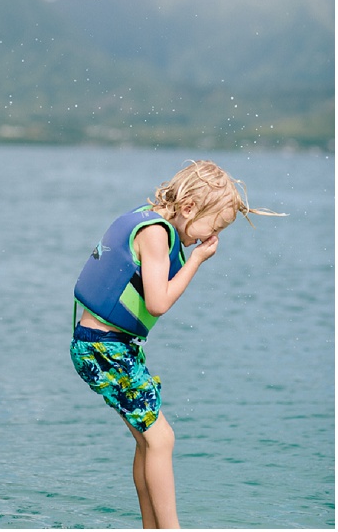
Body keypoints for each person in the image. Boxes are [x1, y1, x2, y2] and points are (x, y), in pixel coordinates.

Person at [70, 160, 282, 528]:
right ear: (188, 208)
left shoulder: (148, 217)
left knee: (148, 441)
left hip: (108, 345)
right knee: (162, 439)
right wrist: (196, 260)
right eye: (211, 228)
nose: (206, 238)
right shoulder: (155, 234)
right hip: (105, 348)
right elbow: (158, 302)